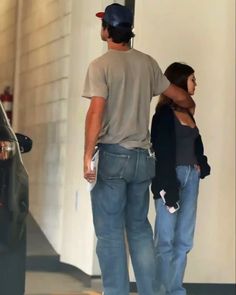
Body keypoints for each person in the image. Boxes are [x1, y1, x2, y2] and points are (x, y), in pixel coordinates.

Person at [82, 4, 195, 295]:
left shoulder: (100, 65)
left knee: (109, 234)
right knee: (140, 230)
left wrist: (86, 156)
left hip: (112, 157)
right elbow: (179, 96)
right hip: (143, 160)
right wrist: (189, 105)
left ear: (107, 30)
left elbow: (97, 110)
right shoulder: (147, 63)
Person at [151, 62, 211, 295]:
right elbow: (161, 151)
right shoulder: (163, 116)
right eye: (192, 79)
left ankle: (175, 290)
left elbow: (196, 144)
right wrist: (166, 185)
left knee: (184, 240)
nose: (195, 83)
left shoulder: (188, 113)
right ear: (179, 81)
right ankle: (160, 291)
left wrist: (200, 164)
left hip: (190, 178)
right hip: (169, 178)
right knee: (164, 240)